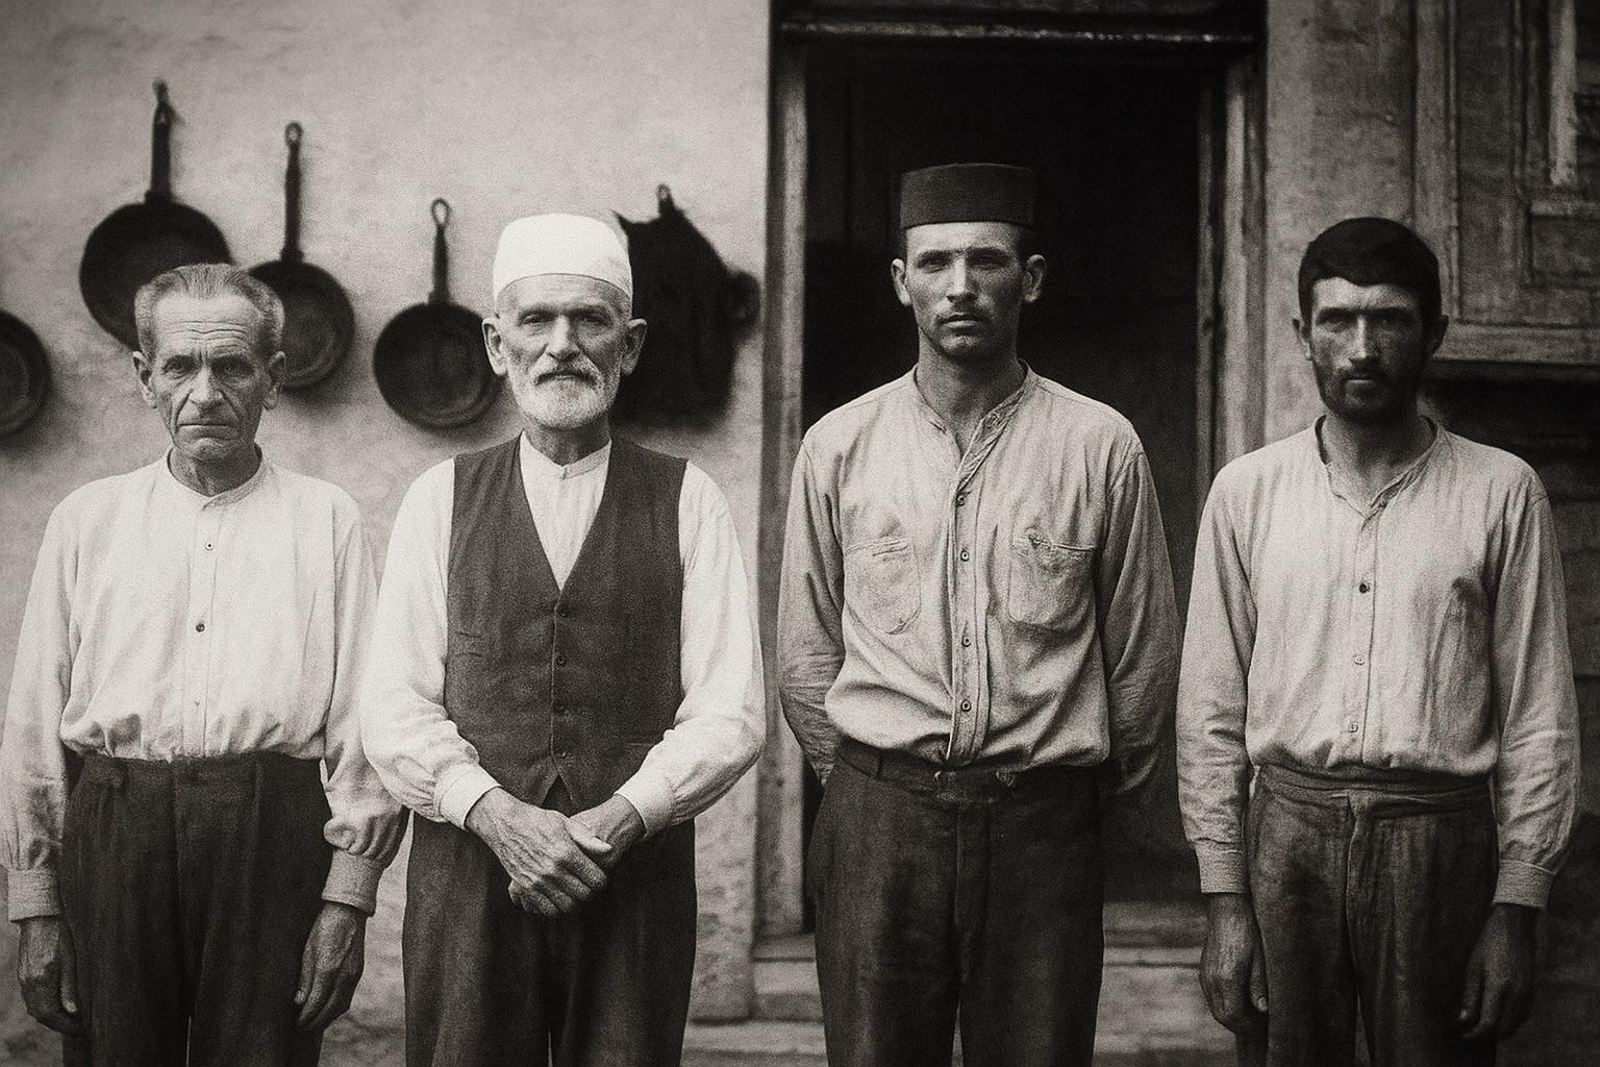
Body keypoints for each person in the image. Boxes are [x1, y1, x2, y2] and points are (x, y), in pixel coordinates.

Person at [778, 162, 1180, 1067]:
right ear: (901, 281)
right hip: (880, 824)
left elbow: (1144, 665)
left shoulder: (1099, 444)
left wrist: (1063, 798)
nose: (960, 287)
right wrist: (872, 787)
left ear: (1029, 279)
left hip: (1042, 829)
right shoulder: (838, 446)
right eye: (935, 263)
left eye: (987, 262)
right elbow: (804, 657)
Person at [360, 212, 764, 1067]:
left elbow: (729, 713)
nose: (563, 345)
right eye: (536, 320)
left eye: (591, 320)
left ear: (633, 344)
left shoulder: (690, 500)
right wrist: (498, 816)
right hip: (472, 873)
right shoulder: (441, 498)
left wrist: (619, 821)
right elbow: (393, 705)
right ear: (496, 345)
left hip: (632, 877)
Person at [1178, 216, 1580, 1067]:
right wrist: (1225, 899)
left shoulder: (1503, 493)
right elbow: (1210, 713)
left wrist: (1516, 905)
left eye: (1390, 320)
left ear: (1431, 333)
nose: (1362, 347)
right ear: (1303, 334)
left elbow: (1540, 717)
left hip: (1441, 845)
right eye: (1337, 321)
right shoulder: (1247, 493)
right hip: (1287, 833)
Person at [0, 263, 405, 1066]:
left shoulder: (325, 519)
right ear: (145, 378)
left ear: (274, 379)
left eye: (232, 366)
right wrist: (38, 901)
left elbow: (369, 718)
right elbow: (34, 719)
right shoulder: (88, 520)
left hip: (274, 830)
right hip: (115, 827)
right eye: (181, 366)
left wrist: (347, 896)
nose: (206, 391)